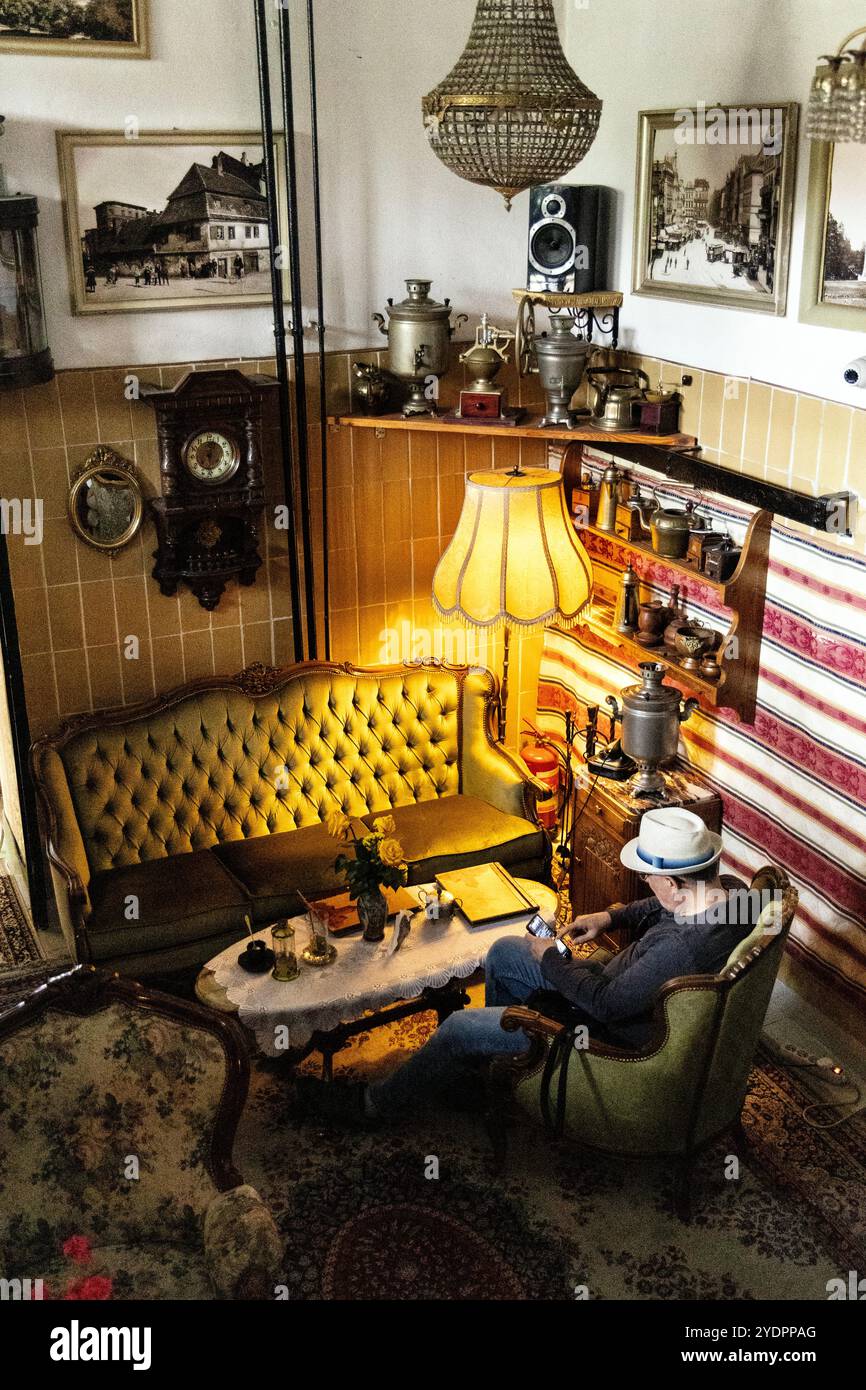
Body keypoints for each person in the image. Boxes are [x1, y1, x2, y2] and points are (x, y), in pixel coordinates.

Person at [296, 809, 758, 1126]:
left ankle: (375, 1106)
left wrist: (552, 959)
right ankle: (504, 1071)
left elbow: (607, 1005)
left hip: (599, 1031)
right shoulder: (726, 895)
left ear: (677, 883)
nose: (645, 885)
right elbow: (661, 910)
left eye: (651, 879)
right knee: (505, 950)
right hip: (614, 988)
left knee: (458, 1025)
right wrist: (611, 916)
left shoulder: (678, 949)